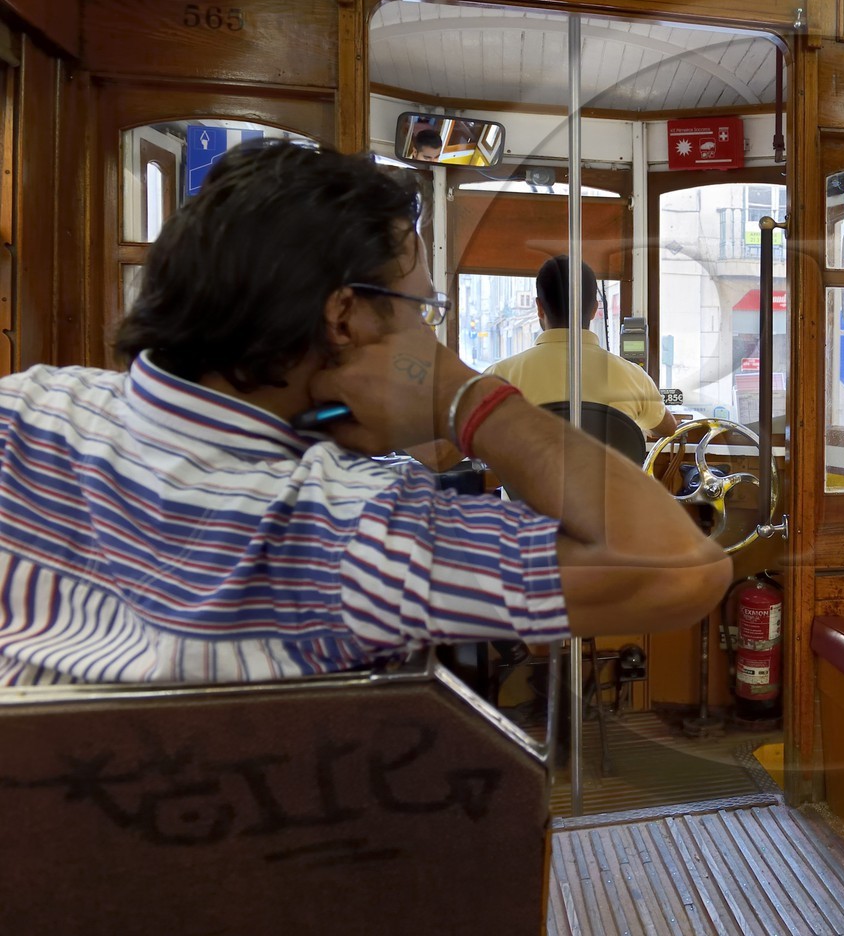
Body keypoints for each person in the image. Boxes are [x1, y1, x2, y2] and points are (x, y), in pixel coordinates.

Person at [0, 140, 728, 686]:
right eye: (420, 309)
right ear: (345, 318)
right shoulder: (353, 531)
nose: (428, 332)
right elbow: (680, 569)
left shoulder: (25, 409)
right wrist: (455, 389)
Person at [488, 256, 677, 439]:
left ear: (539, 307)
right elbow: (667, 429)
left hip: (529, 472)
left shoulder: (499, 377)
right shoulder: (634, 377)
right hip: (608, 473)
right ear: (595, 309)